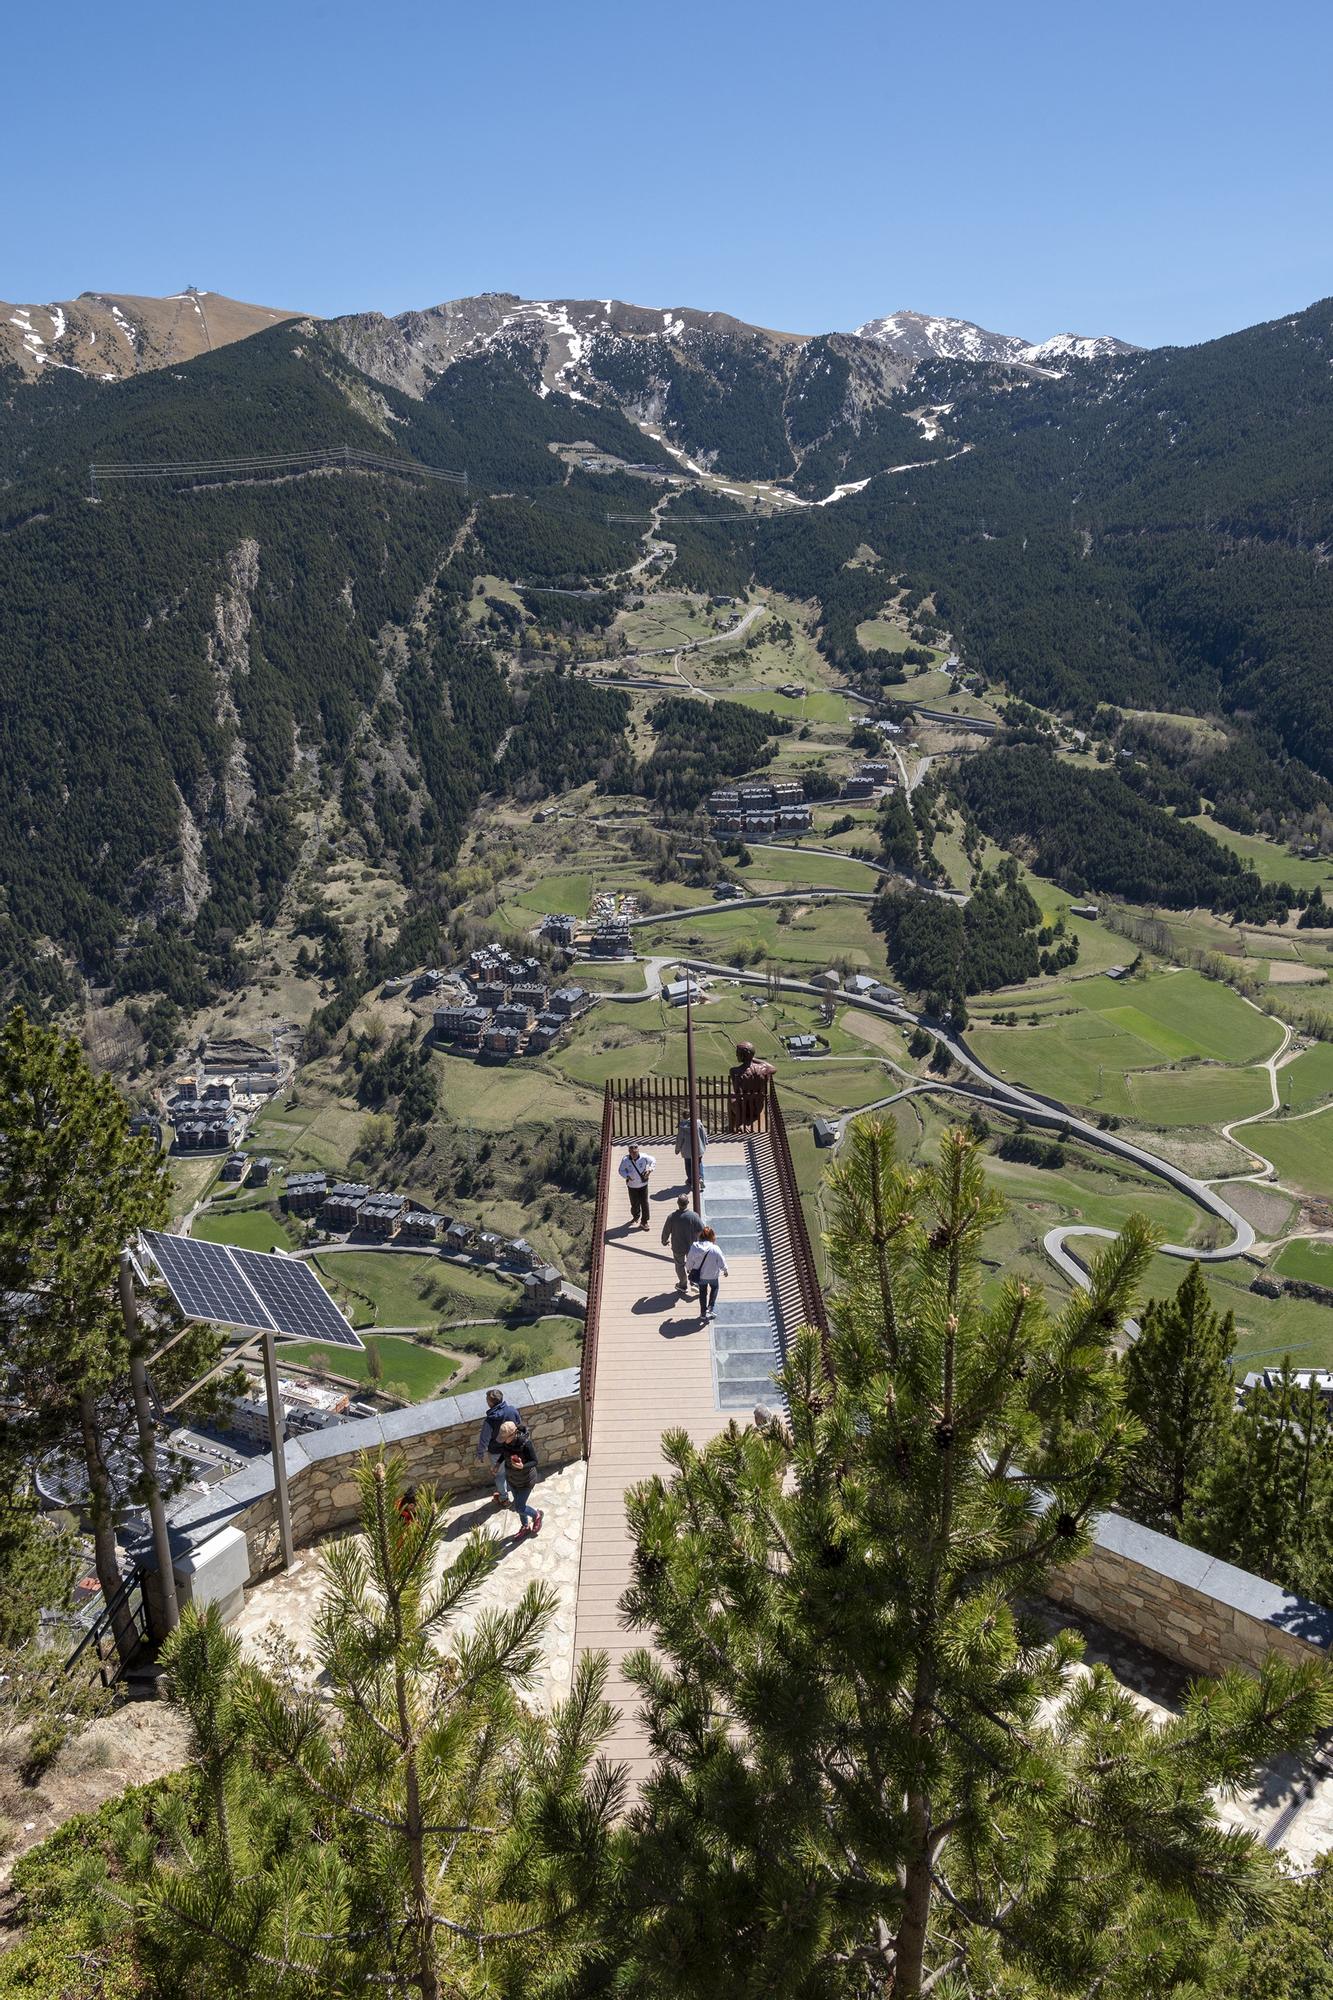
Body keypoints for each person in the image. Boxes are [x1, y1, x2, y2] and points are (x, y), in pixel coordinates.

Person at [496, 1419, 542, 1537]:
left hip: (526, 1480)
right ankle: (525, 1526)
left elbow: (535, 1461)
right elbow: (504, 1454)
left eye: (505, 1438)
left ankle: (536, 1515)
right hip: (512, 1479)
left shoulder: (526, 1443)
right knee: (519, 1505)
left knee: (519, 1507)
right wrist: (497, 1463)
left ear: (513, 1434)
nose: (503, 1441)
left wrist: (522, 1466)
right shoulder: (506, 1443)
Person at [476, 1386, 522, 1503]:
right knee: (514, 1469)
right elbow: (518, 1424)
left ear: (491, 1403)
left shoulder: (490, 1420)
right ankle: (519, 1492)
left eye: (487, 1400)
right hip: (512, 1447)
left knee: (500, 1475)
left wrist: (480, 1453)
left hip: (496, 1452)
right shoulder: (512, 1410)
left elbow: (484, 1439)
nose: (487, 1402)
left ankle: (504, 1498)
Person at [661, 1193, 703, 1295]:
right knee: (693, 1264)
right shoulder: (694, 1216)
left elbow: (666, 1231)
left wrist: (664, 1241)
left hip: (677, 1246)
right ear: (688, 1203)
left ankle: (683, 1285)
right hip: (691, 1246)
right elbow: (701, 1229)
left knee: (679, 1266)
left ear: (677, 1203)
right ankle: (694, 1283)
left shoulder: (671, 1217)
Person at [685, 1225, 729, 1323]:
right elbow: (721, 1261)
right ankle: (711, 1306)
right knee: (715, 1288)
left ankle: (703, 1313)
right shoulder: (715, 1248)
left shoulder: (694, 1247)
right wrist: (725, 1270)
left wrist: (688, 1269)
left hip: (700, 1277)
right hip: (713, 1275)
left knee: (702, 1293)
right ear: (712, 1237)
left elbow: (689, 1260)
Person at [729, 1040, 775, 1131]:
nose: (736, 1055)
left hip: (745, 1110)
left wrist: (741, 1122)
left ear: (744, 1054)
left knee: (731, 1095)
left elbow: (739, 1096)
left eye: (738, 1053)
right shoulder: (763, 1069)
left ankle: (732, 1127)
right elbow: (773, 1068)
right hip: (757, 1108)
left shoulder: (735, 1071)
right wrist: (752, 1058)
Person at [619, 1142, 656, 1228]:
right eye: (632, 1152)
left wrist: (650, 1170)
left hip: (643, 1184)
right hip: (632, 1185)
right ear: (629, 1152)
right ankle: (636, 1217)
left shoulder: (644, 1157)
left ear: (638, 1150)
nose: (634, 1154)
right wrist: (627, 1176)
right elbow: (621, 1170)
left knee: (644, 1203)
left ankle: (644, 1221)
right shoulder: (625, 1160)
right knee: (634, 1203)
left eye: (635, 1152)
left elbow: (653, 1160)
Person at [674, 1111, 709, 1191]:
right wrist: (706, 1140)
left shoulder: (682, 1126)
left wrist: (677, 1149)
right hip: (698, 1147)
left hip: (687, 1150)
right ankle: (700, 1178)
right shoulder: (698, 1123)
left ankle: (691, 1180)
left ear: (683, 1116)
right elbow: (703, 1132)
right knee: (698, 1162)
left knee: (688, 1164)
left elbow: (679, 1139)